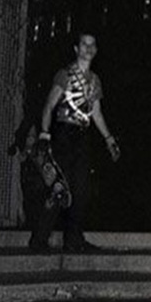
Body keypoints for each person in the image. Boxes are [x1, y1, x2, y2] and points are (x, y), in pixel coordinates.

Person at [28, 32, 120, 253]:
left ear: (95, 50)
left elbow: (96, 113)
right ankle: (39, 240)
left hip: (81, 136)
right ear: (76, 49)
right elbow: (50, 104)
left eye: (92, 44)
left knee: (81, 190)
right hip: (62, 133)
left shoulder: (95, 80)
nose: (88, 48)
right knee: (59, 188)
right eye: (84, 44)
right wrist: (44, 133)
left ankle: (74, 239)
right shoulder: (65, 74)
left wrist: (109, 140)